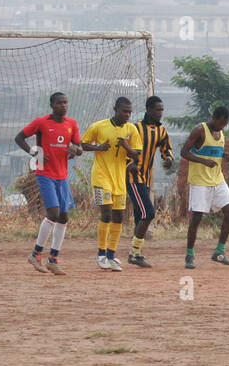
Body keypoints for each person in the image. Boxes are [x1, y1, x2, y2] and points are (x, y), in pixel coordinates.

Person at [16, 92, 83, 275]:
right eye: (60, 103)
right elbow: (19, 138)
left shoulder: (72, 124)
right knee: (53, 213)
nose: (63, 105)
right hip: (45, 173)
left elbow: (80, 148)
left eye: (66, 102)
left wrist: (76, 149)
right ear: (52, 105)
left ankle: (53, 259)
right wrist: (33, 152)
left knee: (64, 217)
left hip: (62, 176)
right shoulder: (41, 122)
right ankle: (35, 254)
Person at [81, 97, 142, 271]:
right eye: (124, 111)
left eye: (130, 112)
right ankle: (101, 254)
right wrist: (98, 148)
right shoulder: (98, 126)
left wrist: (126, 146)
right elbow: (82, 144)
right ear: (115, 109)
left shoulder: (131, 129)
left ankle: (111, 255)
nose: (127, 115)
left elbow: (137, 154)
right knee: (106, 213)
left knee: (118, 217)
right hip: (101, 177)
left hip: (119, 179)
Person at [181, 106, 229, 269]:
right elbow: (184, 152)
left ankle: (219, 251)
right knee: (197, 218)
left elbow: (214, 151)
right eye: (220, 123)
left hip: (217, 179)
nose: (221, 127)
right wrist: (203, 161)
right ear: (213, 118)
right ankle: (189, 255)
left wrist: (224, 155)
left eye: (224, 125)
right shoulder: (200, 130)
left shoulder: (221, 133)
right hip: (200, 181)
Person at [128, 96, 175, 267]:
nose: (160, 113)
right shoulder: (135, 128)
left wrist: (168, 158)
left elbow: (167, 150)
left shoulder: (161, 130)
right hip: (133, 178)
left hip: (146, 178)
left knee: (140, 215)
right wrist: (129, 164)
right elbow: (125, 149)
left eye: (162, 110)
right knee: (149, 212)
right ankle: (133, 252)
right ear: (148, 110)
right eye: (157, 109)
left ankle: (136, 253)